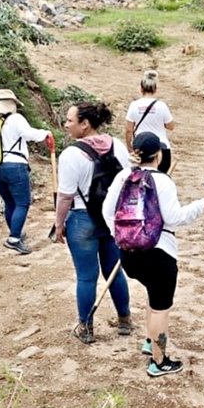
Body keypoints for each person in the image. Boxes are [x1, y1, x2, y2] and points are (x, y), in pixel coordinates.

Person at [104, 132, 204, 377]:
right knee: (160, 307)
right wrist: (202, 203)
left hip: (128, 253)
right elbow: (175, 218)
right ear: (159, 154)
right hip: (159, 253)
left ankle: (149, 341)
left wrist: (122, 236)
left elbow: (107, 211)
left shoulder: (123, 176)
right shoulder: (163, 181)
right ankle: (159, 361)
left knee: (151, 297)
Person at [53, 101, 131, 345]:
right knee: (114, 271)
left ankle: (86, 327)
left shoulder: (71, 155)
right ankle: (125, 320)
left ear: (85, 124)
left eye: (70, 120)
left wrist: (58, 224)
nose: (66, 125)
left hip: (82, 219)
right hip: (112, 218)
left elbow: (65, 196)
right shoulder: (118, 146)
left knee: (86, 277)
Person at [0, 89, 53, 255]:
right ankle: (14, 238)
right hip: (15, 166)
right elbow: (29, 134)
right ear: (13, 104)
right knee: (22, 203)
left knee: (10, 203)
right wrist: (46, 133)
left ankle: (16, 232)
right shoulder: (16, 119)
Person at [125, 70, 176, 174]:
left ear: (141, 88)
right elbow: (171, 126)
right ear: (155, 89)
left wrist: (129, 147)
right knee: (161, 180)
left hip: (141, 147)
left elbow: (128, 130)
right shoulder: (162, 106)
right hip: (162, 147)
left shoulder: (134, 105)